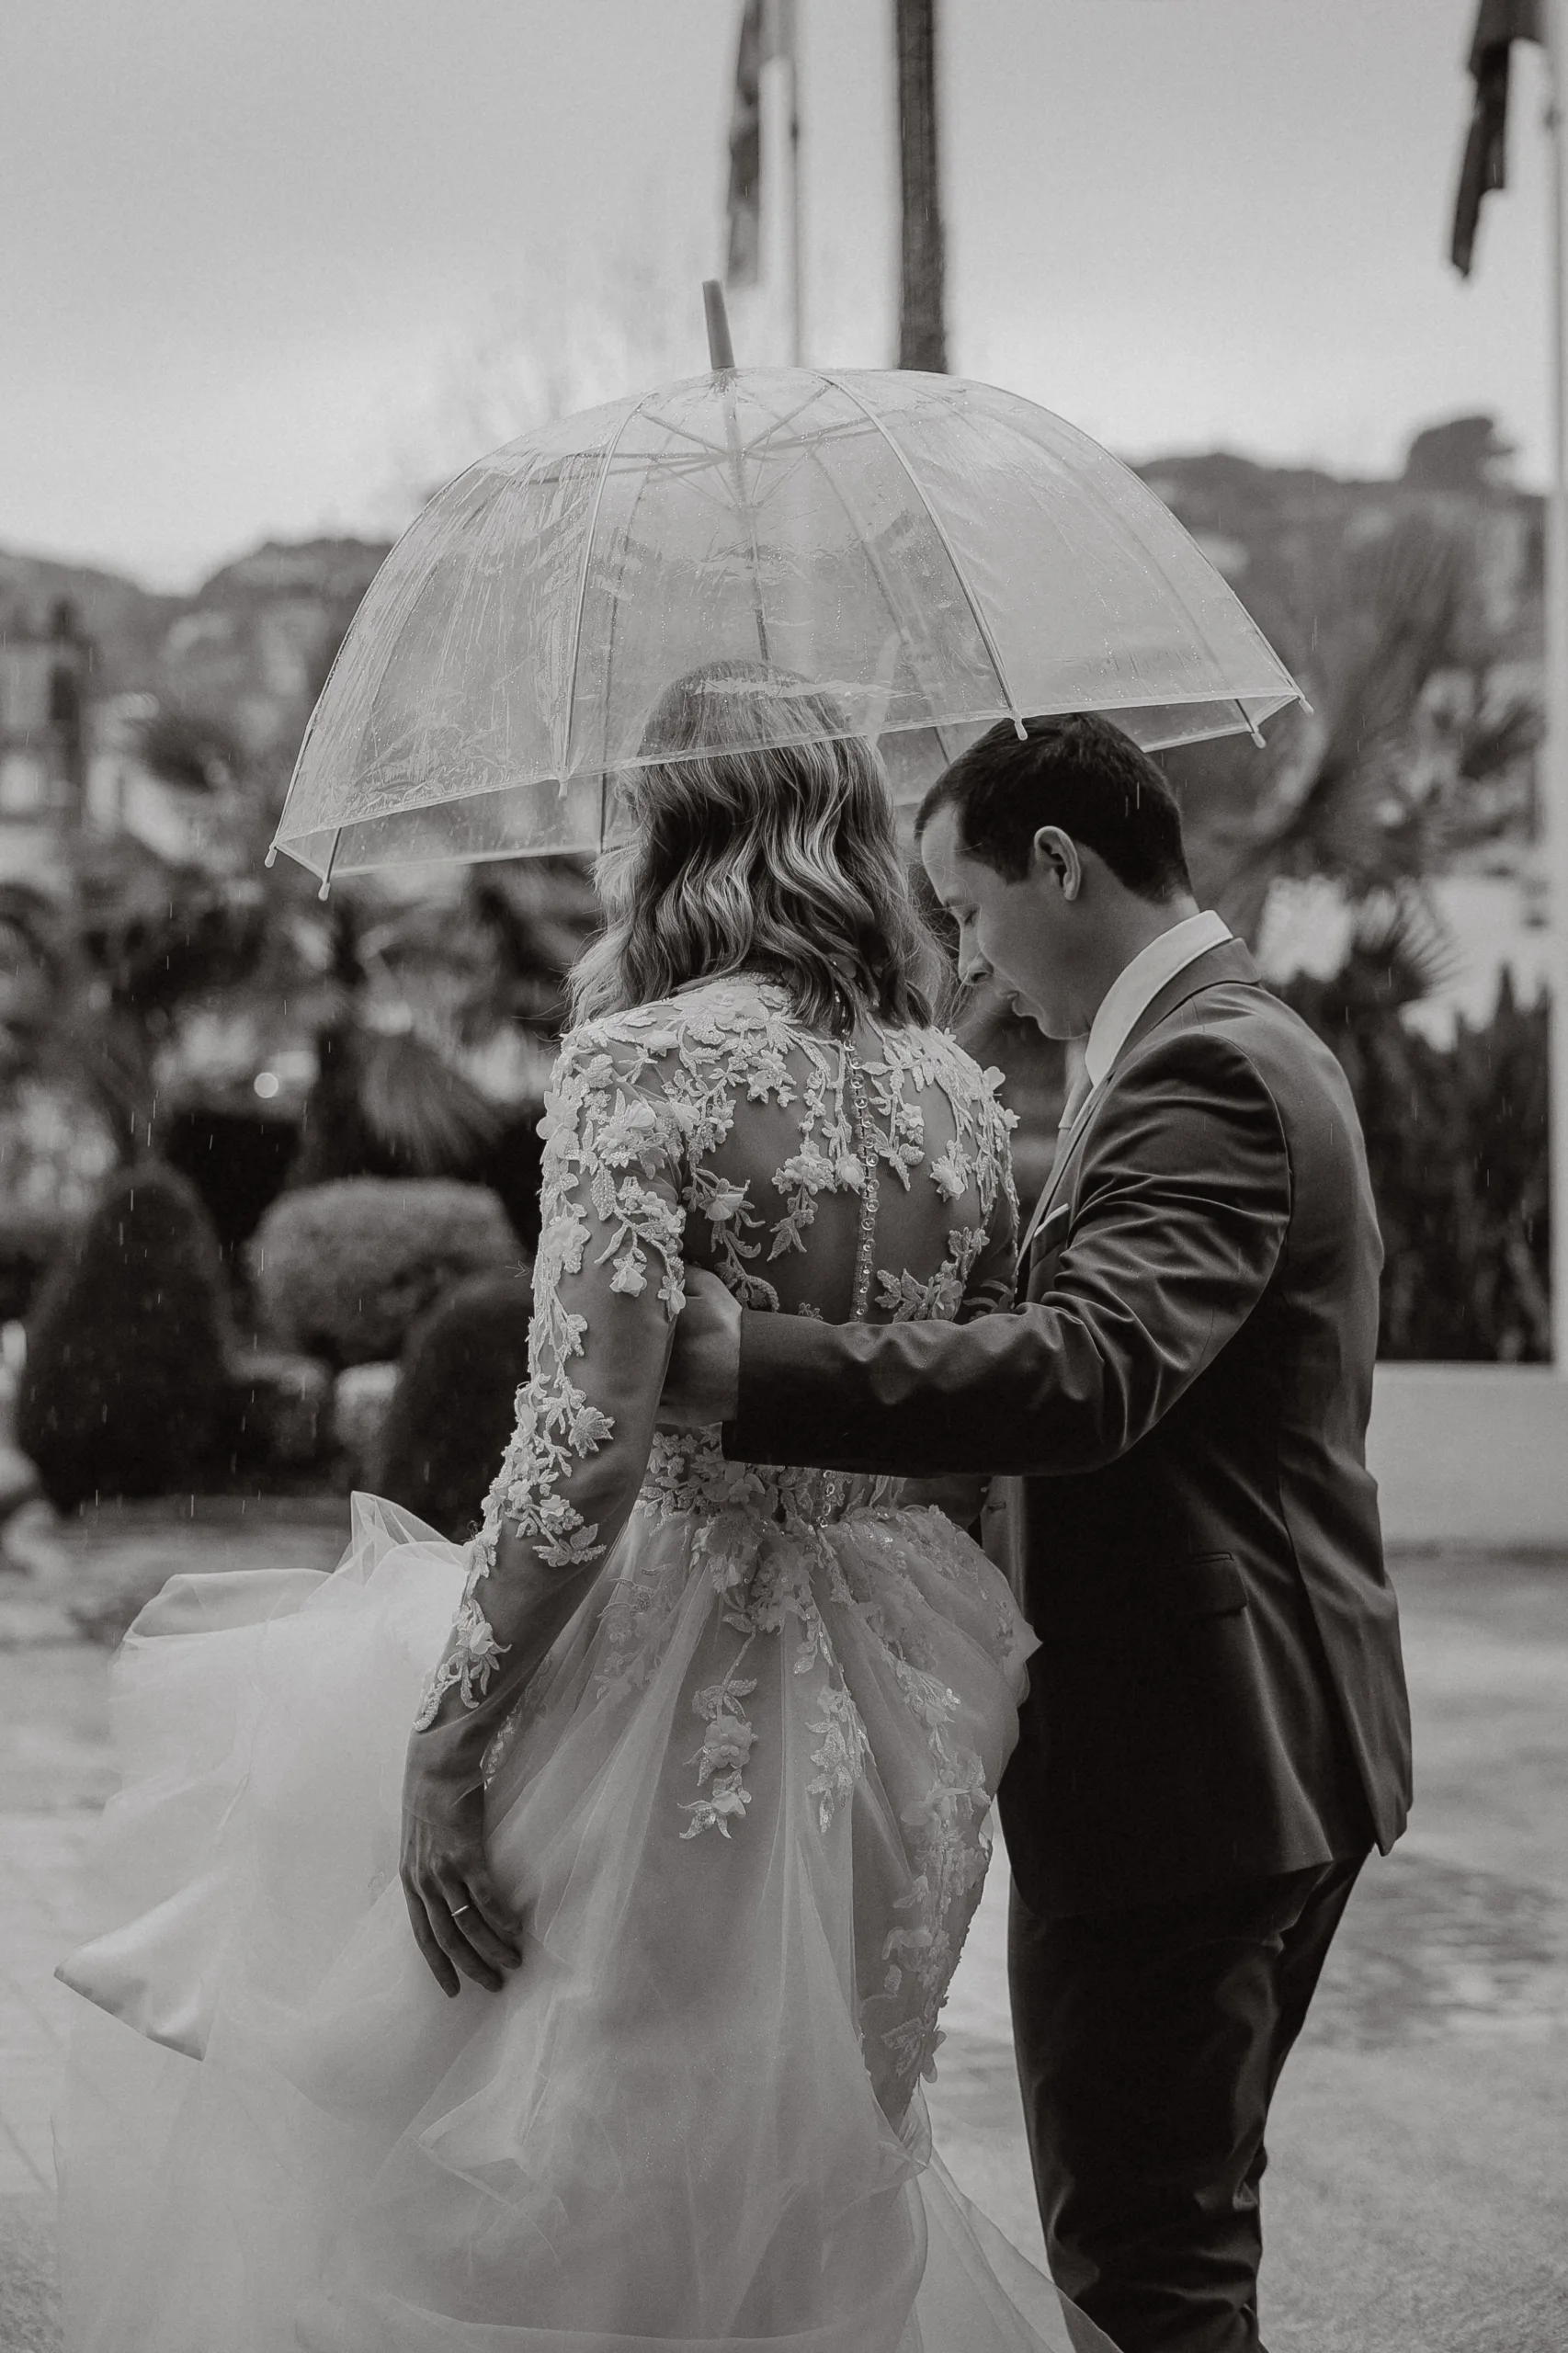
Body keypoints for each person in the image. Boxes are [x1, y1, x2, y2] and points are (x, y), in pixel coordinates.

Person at [54, 666, 1115, 2353]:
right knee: (784, 2163)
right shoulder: (957, 1102)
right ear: (847, 830)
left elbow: (584, 1446)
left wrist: (446, 1742)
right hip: (893, 1682)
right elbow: (959, 1432)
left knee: (570, 2161)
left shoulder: (638, 1068)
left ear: (673, 836)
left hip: (668, 1669)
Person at [659, 711, 1414, 2353]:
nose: (963, 962)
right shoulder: (1216, 1043)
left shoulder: (1208, 1067)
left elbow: (1091, 1369)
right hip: (1246, 1741)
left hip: (1193, 1765)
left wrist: (750, 1365)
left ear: (1057, 864)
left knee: (1142, 2278)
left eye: (963, 910)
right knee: (1169, 2237)